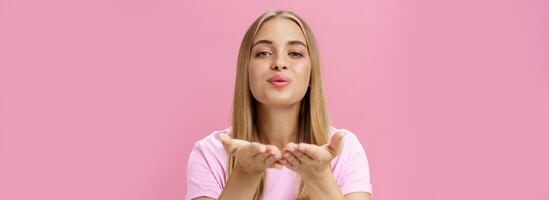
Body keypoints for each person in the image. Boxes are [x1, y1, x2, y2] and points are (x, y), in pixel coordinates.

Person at [185, 10, 372, 200]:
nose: (279, 63)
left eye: (295, 53)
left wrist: (319, 177)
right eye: (264, 53)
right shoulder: (210, 153)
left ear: (311, 73)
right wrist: (245, 172)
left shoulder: (344, 150)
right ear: (246, 70)